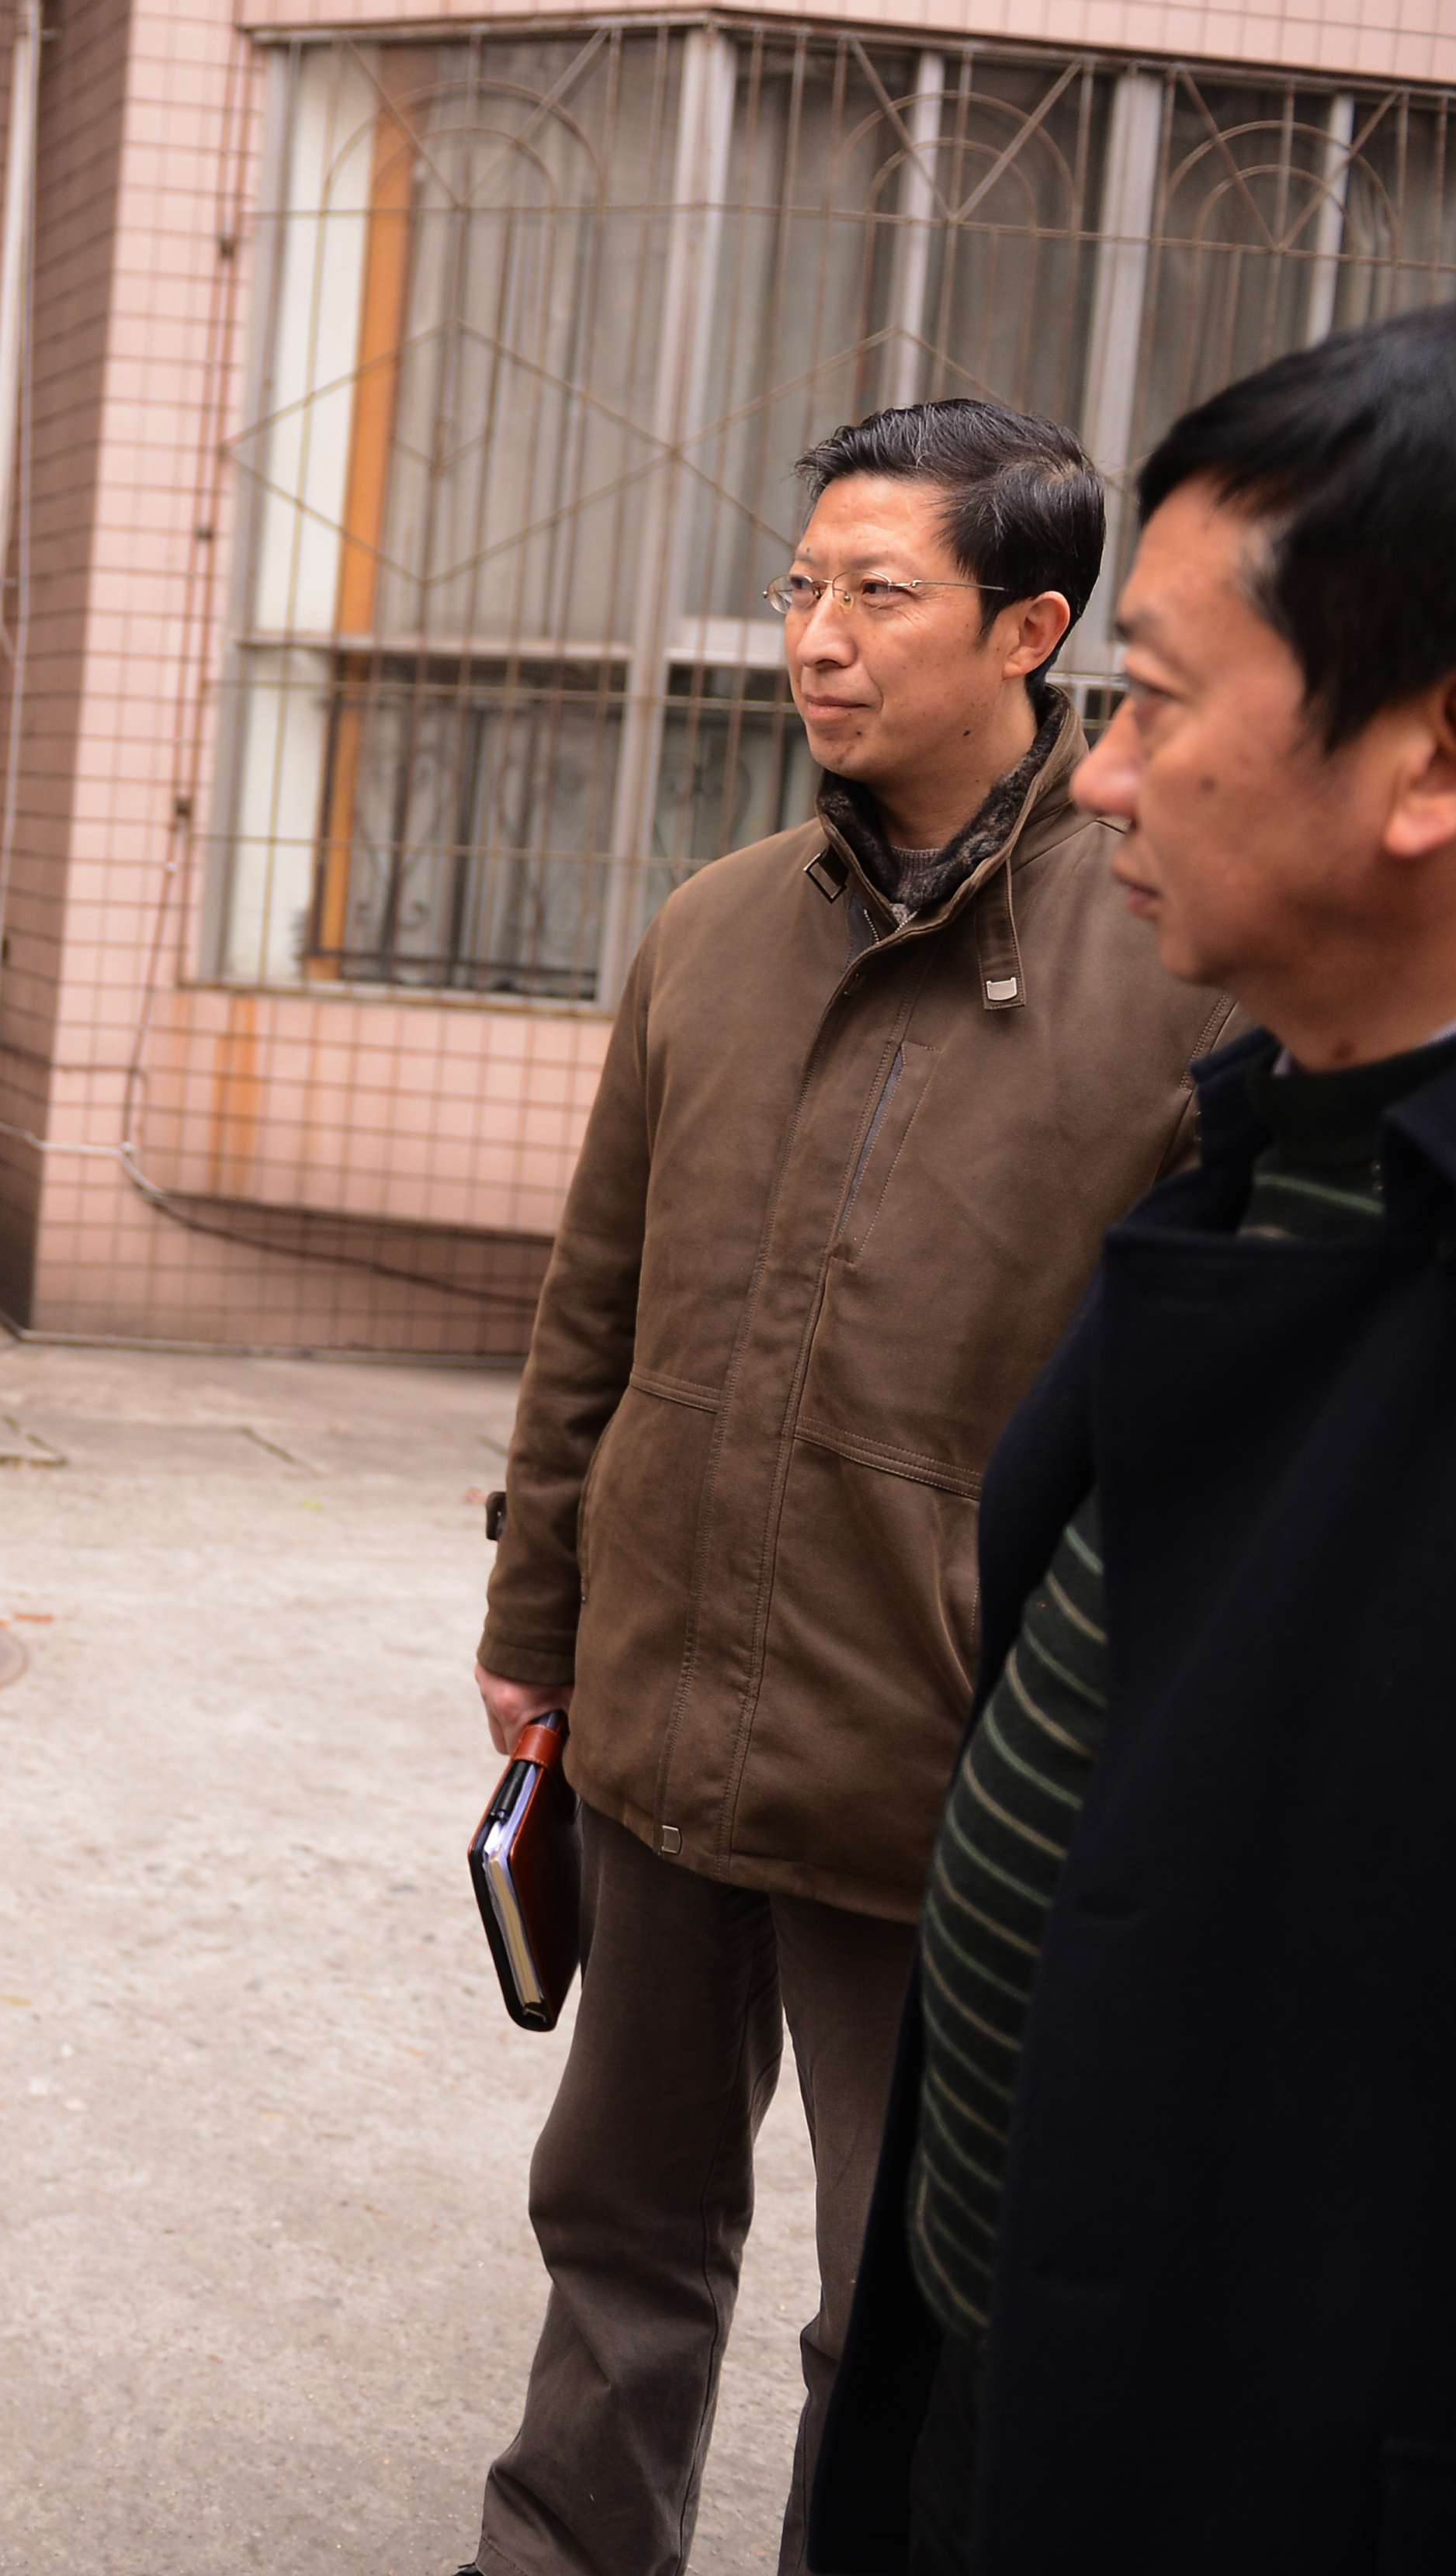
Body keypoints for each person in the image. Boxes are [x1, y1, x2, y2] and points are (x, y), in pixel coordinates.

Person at [809, 304, 1456, 2574]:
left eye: (1157, 698)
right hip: (1006, 2385)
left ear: (1447, 747)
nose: (1103, 778)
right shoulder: (1281, 1129)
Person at [453, 401, 1236, 2576]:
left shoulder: (1171, 961)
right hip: (653, 1716)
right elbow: (591, 1311)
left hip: (943, 1765)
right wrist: (535, 1620)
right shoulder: (715, 926)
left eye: (878, 595)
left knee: (902, 2294)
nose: (815, 636)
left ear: (1031, 629)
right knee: (618, 2224)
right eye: (802, 588)